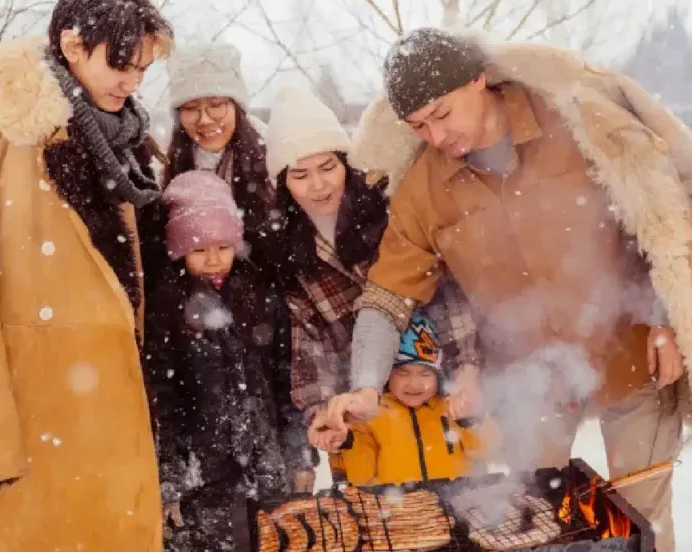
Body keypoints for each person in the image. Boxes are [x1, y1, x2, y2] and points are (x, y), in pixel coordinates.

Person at [322, 27, 692, 552]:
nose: (436, 136)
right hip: (529, 380)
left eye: (442, 114)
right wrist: (366, 383)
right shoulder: (423, 189)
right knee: (535, 517)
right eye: (419, 126)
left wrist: (664, 319)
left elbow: (658, 224)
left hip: (629, 354)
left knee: (640, 518)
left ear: (478, 80)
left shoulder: (577, 125)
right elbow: (386, 296)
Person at [0, 0, 174, 551]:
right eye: (121, 64)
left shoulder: (128, 151)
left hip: (115, 441)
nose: (133, 82)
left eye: (142, 68)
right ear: (71, 44)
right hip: (35, 442)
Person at [264, 83, 484, 483]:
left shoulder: (387, 210)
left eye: (328, 167)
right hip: (364, 417)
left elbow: (446, 297)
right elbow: (309, 344)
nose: (318, 185)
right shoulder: (288, 252)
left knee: (455, 494)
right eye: (300, 174)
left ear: (345, 164)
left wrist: (465, 369)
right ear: (283, 183)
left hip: (429, 390)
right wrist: (322, 412)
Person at [149, 170, 291, 551]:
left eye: (223, 247)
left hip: (266, 463)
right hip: (203, 473)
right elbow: (164, 400)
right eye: (198, 249)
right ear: (180, 251)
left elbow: (284, 378)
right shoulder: (167, 307)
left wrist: (298, 455)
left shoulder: (260, 294)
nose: (213, 259)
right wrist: (171, 477)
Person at [310, 311, 500, 486]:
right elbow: (360, 477)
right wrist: (349, 442)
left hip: (458, 501)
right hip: (398, 508)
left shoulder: (453, 406)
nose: (414, 384)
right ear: (386, 375)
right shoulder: (371, 414)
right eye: (403, 373)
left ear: (438, 376)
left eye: (425, 373)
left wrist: (472, 420)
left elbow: (487, 452)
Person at [164, 40, 275, 261]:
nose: (204, 120)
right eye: (190, 108)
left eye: (216, 105)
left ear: (237, 107)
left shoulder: (276, 160)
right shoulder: (164, 170)